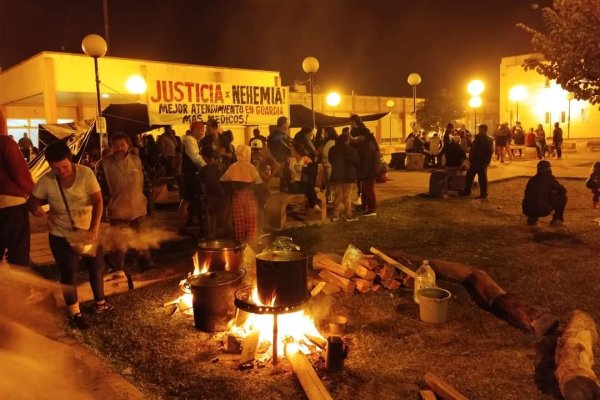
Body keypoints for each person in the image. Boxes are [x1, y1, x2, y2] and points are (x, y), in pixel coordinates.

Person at [28, 141, 112, 329]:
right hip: (60, 234)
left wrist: (94, 229)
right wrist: (36, 209)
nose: (62, 171)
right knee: (69, 272)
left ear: (71, 160)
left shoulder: (85, 173)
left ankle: (100, 303)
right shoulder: (47, 180)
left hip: (87, 230)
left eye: (64, 166)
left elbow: (98, 201)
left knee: (97, 266)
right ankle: (75, 313)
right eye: (56, 168)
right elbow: (32, 202)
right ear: (50, 165)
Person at [96, 133, 154, 272]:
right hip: (118, 209)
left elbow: (146, 182)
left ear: (128, 145)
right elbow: (99, 189)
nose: (119, 148)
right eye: (115, 146)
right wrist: (104, 209)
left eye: (122, 145)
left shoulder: (137, 161)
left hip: (138, 207)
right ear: (111, 147)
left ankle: (146, 264)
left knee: (142, 238)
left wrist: (146, 199)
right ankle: (116, 269)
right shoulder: (104, 164)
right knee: (119, 243)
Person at [0, 133, 35, 266]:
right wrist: (35, 194)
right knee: (17, 253)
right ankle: (17, 285)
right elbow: (21, 176)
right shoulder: (5, 142)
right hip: (11, 204)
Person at [220, 145, 262, 247]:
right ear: (248, 154)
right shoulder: (251, 167)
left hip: (237, 195)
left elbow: (223, 179)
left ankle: (240, 243)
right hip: (249, 195)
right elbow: (259, 181)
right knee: (251, 219)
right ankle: (251, 244)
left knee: (239, 220)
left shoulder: (233, 166)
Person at [178, 122, 207, 231]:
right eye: (202, 131)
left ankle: (185, 222)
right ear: (195, 131)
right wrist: (206, 167)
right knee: (187, 199)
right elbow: (195, 157)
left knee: (187, 199)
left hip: (189, 174)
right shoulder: (190, 141)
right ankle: (181, 225)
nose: (203, 133)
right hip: (190, 174)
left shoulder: (192, 141)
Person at [350, 114, 380, 216]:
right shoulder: (366, 142)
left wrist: (364, 171)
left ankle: (372, 209)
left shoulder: (367, 144)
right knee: (364, 188)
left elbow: (367, 159)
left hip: (369, 170)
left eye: (357, 138)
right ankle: (365, 206)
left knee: (368, 189)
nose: (356, 140)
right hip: (367, 169)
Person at [522, 160, 567, 226]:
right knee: (562, 198)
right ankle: (557, 220)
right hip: (542, 209)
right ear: (548, 169)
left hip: (527, 210)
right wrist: (553, 192)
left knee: (537, 196)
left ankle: (532, 219)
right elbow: (563, 191)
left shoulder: (532, 179)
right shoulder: (549, 178)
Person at [200, 146, 230, 239]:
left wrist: (204, 195)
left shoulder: (204, 169)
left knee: (212, 215)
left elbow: (203, 185)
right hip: (224, 195)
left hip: (212, 196)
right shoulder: (223, 166)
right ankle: (228, 235)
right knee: (225, 217)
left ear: (205, 157)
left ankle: (211, 235)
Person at [328, 132, 360, 221]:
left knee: (338, 195)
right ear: (347, 141)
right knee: (347, 196)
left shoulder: (332, 149)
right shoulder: (351, 150)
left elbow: (330, 161)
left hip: (336, 175)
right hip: (348, 176)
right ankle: (348, 215)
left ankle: (335, 215)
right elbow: (356, 162)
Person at [459, 124, 493, 199]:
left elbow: (489, 151)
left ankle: (483, 193)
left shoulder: (486, 139)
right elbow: (473, 148)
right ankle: (468, 190)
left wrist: (487, 161)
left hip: (481, 161)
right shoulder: (479, 138)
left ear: (484, 130)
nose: (479, 131)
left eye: (480, 129)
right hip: (476, 161)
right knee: (470, 176)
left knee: (481, 178)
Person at [287, 142, 321, 212]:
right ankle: (315, 204)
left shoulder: (306, 159)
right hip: (293, 184)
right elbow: (285, 174)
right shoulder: (289, 160)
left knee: (308, 186)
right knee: (309, 188)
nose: (291, 151)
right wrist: (289, 180)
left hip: (304, 183)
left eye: (292, 149)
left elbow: (312, 173)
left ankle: (315, 205)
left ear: (297, 151)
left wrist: (304, 169)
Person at [322, 127, 338, 204]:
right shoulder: (334, 141)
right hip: (329, 165)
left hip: (329, 165)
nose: (323, 135)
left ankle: (330, 198)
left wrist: (321, 152)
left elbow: (325, 154)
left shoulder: (331, 142)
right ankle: (330, 198)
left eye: (325, 133)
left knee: (329, 183)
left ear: (329, 133)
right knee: (330, 184)